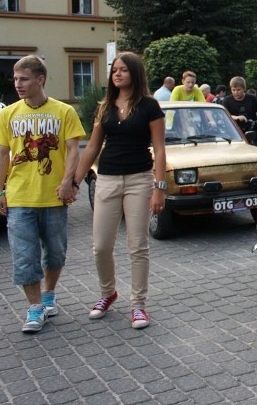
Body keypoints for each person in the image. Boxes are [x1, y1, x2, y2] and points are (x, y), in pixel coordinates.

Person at [0, 55, 85, 333]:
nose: (17, 84)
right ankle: (34, 307)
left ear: (40, 79)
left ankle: (48, 294)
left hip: (53, 197)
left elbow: (72, 150)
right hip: (19, 198)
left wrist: (68, 182)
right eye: (15, 79)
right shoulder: (8, 113)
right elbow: (2, 154)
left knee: (55, 254)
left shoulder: (63, 112)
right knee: (23, 256)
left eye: (24, 79)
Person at [74, 51, 166, 330]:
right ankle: (107, 293)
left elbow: (160, 149)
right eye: (114, 69)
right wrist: (74, 181)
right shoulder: (105, 106)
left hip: (139, 179)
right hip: (107, 180)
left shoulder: (150, 106)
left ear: (135, 73)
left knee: (137, 245)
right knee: (101, 246)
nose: (117, 74)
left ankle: (138, 305)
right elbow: (92, 146)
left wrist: (159, 188)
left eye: (123, 69)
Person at [222, 76, 257, 142]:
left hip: (251, 131)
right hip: (234, 132)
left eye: (238, 90)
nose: (236, 92)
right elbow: (224, 115)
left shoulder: (252, 99)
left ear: (244, 89)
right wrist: (236, 117)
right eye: (233, 90)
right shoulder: (226, 101)